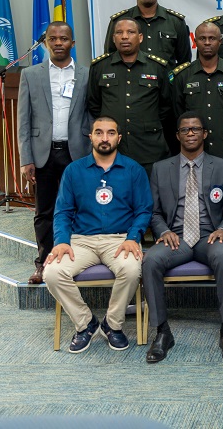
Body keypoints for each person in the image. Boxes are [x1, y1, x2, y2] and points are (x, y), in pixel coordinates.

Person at [43, 116, 152, 353]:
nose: (105, 138)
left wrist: (133, 237)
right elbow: (62, 212)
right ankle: (86, 323)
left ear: (119, 138)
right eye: (99, 133)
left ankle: (113, 325)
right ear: (90, 136)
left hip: (120, 239)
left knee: (132, 269)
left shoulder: (134, 170)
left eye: (111, 133)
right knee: (51, 272)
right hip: (81, 241)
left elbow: (144, 210)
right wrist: (61, 241)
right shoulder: (74, 171)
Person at [142, 112, 223, 363]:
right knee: (150, 261)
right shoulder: (161, 168)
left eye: (195, 129)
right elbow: (153, 212)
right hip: (177, 238)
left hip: (210, 236)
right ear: (177, 135)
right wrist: (164, 231)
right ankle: (162, 332)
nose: (190, 133)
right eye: (185, 130)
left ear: (205, 134)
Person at [17, 22, 91, 284]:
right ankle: (43, 263)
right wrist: (26, 158)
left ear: (73, 42)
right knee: (44, 211)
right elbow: (23, 120)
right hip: (42, 153)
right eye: (53, 39)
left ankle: (79, 261)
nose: (58, 43)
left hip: (78, 153)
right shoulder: (31, 74)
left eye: (64, 38)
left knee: (80, 209)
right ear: (46, 42)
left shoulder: (86, 74)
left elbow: (91, 115)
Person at [88, 18, 174, 179]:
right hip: (112, 149)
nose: (125, 37)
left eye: (130, 32)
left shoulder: (157, 66)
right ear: (113, 38)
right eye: (119, 33)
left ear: (140, 37)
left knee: (149, 200)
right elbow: (94, 104)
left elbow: (166, 106)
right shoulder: (100, 67)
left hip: (149, 148)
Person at [171, 21, 223, 182]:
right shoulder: (183, 75)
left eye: (212, 38)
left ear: (220, 41)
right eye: (202, 38)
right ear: (195, 41)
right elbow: (178, 114)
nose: (207, 42)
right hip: (194, 154)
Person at [103, 0, 191, 68]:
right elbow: (110, 58)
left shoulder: (176, 22)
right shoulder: (119, 21)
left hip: (166, 82)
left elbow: (184, 62)